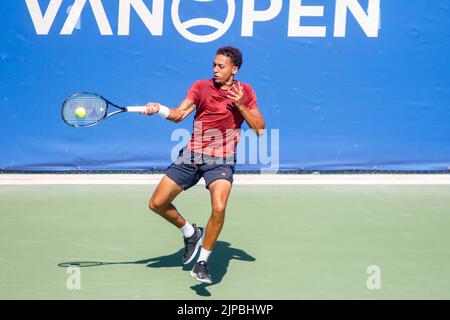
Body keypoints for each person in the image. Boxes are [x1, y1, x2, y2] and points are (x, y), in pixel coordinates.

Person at [142, 46, 265, 284]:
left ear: (234, 69)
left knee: (219, 208)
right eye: (214, 65)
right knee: (157, 203)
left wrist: (240, 105)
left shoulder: (245, 91)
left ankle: (202, 263)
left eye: (221, 66)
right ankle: (190, 233)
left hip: (221, 158)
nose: (215, 70)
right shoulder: (201, 86)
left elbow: (259, 129)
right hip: (192, 155)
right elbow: (179, 114)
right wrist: (159, 109)